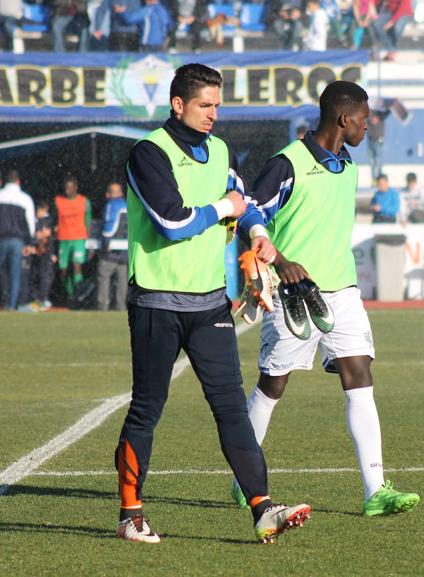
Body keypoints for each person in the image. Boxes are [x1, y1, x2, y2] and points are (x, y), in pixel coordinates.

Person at [115, 63, 311, 544]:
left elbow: (242, 199)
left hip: (209, 306)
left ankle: (263, 509)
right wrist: (226, 209)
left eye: (217, 105)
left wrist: (260, 235)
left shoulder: (220, 150)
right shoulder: (148, 153)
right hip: (157, 304)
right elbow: (171, 221)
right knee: (147, 408)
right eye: (205, 105)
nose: (213, 115)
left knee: (230, 409)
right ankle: (130, 515)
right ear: (178, 104)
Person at [234, 80, 420, 517]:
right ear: (343, 118)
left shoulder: (349, 163)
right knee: (273, 385)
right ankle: (244, 476)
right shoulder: (288, 163)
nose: (368, 124)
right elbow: (250, 211)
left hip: (343, 291)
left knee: (360, 378)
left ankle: (375, 491)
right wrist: (278, 260)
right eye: (364, 117)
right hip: (293, 295)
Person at [0, 170, 35, 310]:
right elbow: (30, 223)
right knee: (15, 274)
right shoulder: (25, 198)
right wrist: (29, 243)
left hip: (1, 239)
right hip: (17, 240)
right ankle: (11, 305)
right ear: (18, 181)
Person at [55, 176, 92, 305]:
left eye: (70, 187)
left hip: (78, 238)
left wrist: (88, 239)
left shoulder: (84, 201)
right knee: (63, 269)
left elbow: (88, 220)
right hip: (63, 238)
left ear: (75, 187)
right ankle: (68, 294)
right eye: (66, 188)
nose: (67, 190)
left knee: (77, 266)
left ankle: (78, 294)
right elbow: (54, 218)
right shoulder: (58, 201)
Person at [97, 182, 128, 311]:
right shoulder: (128, 205)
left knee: (104, 277)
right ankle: (121, 306)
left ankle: (103, 305)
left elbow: (110, 224)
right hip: (126, 248)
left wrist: (106, 241)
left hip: (112, 248)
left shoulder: (111, 205)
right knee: (122, 279)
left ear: (108, 194)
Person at [30, 200, 57, 310]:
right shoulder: (35, 220)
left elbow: (51, 237)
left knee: (45, 275)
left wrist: (53, 253)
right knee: (35, 275)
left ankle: (43, 299)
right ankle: (37, 299)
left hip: (47, 252)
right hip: (37, 252)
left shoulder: (49, 221)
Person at [366, 103, 390, 182]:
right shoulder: (369, 118)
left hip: (378, 142)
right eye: (372, 118)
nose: (373, 120)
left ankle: (380, 178)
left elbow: (387, 112)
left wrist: (390, 103)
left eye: (375, 119)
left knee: (378, 161)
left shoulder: (381, 119)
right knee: (371, 161)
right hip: (370, 141)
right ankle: (374, 179)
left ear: (378, 118)